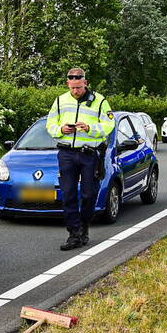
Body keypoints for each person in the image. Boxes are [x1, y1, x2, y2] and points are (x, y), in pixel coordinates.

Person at [46, 68, 116, 250]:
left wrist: (89, 128)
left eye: (78, 87)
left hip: (89, 153)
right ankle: (74, 233)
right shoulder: (60, 100)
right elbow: (50, 124)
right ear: (68, 84)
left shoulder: (99, 101)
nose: (75, 91)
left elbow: (109, 124)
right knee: (68, 193)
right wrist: (61, 130)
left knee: (89, 194)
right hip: (66, 153)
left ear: (85, 83)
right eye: (72, 87)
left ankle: (84, 225)